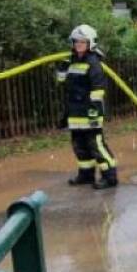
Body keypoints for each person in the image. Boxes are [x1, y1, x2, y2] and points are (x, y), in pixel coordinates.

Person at [56, 24, 119, 190]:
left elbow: (98, 90)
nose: (78, 44)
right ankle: (86, 175)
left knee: (96, 145)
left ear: (90, 43)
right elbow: (62, 82)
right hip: (75, 113)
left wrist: (93, 113)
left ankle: (110, 177)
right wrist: (62, 68)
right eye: (76, 41)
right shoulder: (72, 61)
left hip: (90, 113)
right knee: (79, 146)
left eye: (82, 42)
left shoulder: (94, 63)